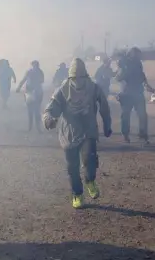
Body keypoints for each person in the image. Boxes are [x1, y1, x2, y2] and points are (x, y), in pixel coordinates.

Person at [43, 58, 112, 209]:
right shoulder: (63, 90)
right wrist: (49, 119)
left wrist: (107, 124)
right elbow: (51, 108)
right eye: (75, 78)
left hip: (88, 129)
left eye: (81, 77)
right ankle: (77, 194)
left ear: (86, 76)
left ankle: (90, 180)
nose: (78, 81)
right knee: (72, 167)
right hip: (69, 132)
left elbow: (104, 106)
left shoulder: (93, 88)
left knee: (90, 160)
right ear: (70, 78)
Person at [115, 47, 155, 145]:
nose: (139, 57)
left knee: (143, 115)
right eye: (137, 55)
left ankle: (143, 135)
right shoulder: (124, 63)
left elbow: (142, 75)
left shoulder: (138, 63)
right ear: (132, 54)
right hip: (126, 94)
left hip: (138, 93)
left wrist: (147, 86)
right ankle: (125, 135)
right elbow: (118, 78)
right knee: (125, 115)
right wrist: (123, 72)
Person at [16, 60, 45, 133]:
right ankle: (31, 127)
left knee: (36, 110)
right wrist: (19, 87)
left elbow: (42, 80)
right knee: (31, 110)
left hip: (37, 93)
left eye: (36, 65)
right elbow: (24, 80)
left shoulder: (38, 72)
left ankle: (36, 127)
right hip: (30, 93)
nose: (35, 66)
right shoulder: (30, 72)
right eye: (34, 65)